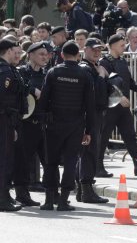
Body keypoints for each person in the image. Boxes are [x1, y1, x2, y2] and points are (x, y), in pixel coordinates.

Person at [38, 41, 95, 211]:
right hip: (75, 125)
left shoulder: (53, 72)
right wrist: (89, 130)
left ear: (62, 55)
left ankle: (49, 200)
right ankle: (63, 201)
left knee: (51, 162)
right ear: (78, 55)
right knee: (70, 162)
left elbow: (43, 99)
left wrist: (42, 120)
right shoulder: (85, 75)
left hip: (53, 124)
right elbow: (90, 106)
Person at [99, 34, 137, 177]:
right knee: (104, 136)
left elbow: (129, 82)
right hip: (110, 106)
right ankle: (98, 166)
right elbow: (106, 83)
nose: (124, 47)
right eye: (121, 45)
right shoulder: (104, 62)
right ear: (112, 46)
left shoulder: (122, 61)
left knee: (130, 135)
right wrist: (119, 97)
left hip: (123, 107)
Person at [12, 41, 50, 207]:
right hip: (25, 123)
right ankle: (22, 194)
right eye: (41, 54)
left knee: (49, 160)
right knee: (23, 161)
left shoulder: (47, 74)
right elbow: (16, 87)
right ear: (30, 55)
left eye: (46, 54)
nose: (44, 57)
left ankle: (52, 194)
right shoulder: (21, 72)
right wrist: (32, 90)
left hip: (43, 123)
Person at [75, 38, 111, 203]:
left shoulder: (94, 67)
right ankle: (86, 190)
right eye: (94, 49)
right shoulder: (86, 69)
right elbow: (97, 95)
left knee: (86, 152)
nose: (97, 52)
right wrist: (102, 77)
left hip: (92, 114)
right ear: (86, 50)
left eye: (99, 50)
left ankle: (82, 190)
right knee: (88, 152)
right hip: (88, 115)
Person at [0, 38, 24, 211]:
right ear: (8, 50)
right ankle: (2, 200)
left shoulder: (8, 69)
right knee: (4, 160)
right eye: (14, 50)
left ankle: (5, 195)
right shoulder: (5, 71)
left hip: (7, 119)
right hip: (4, 119)